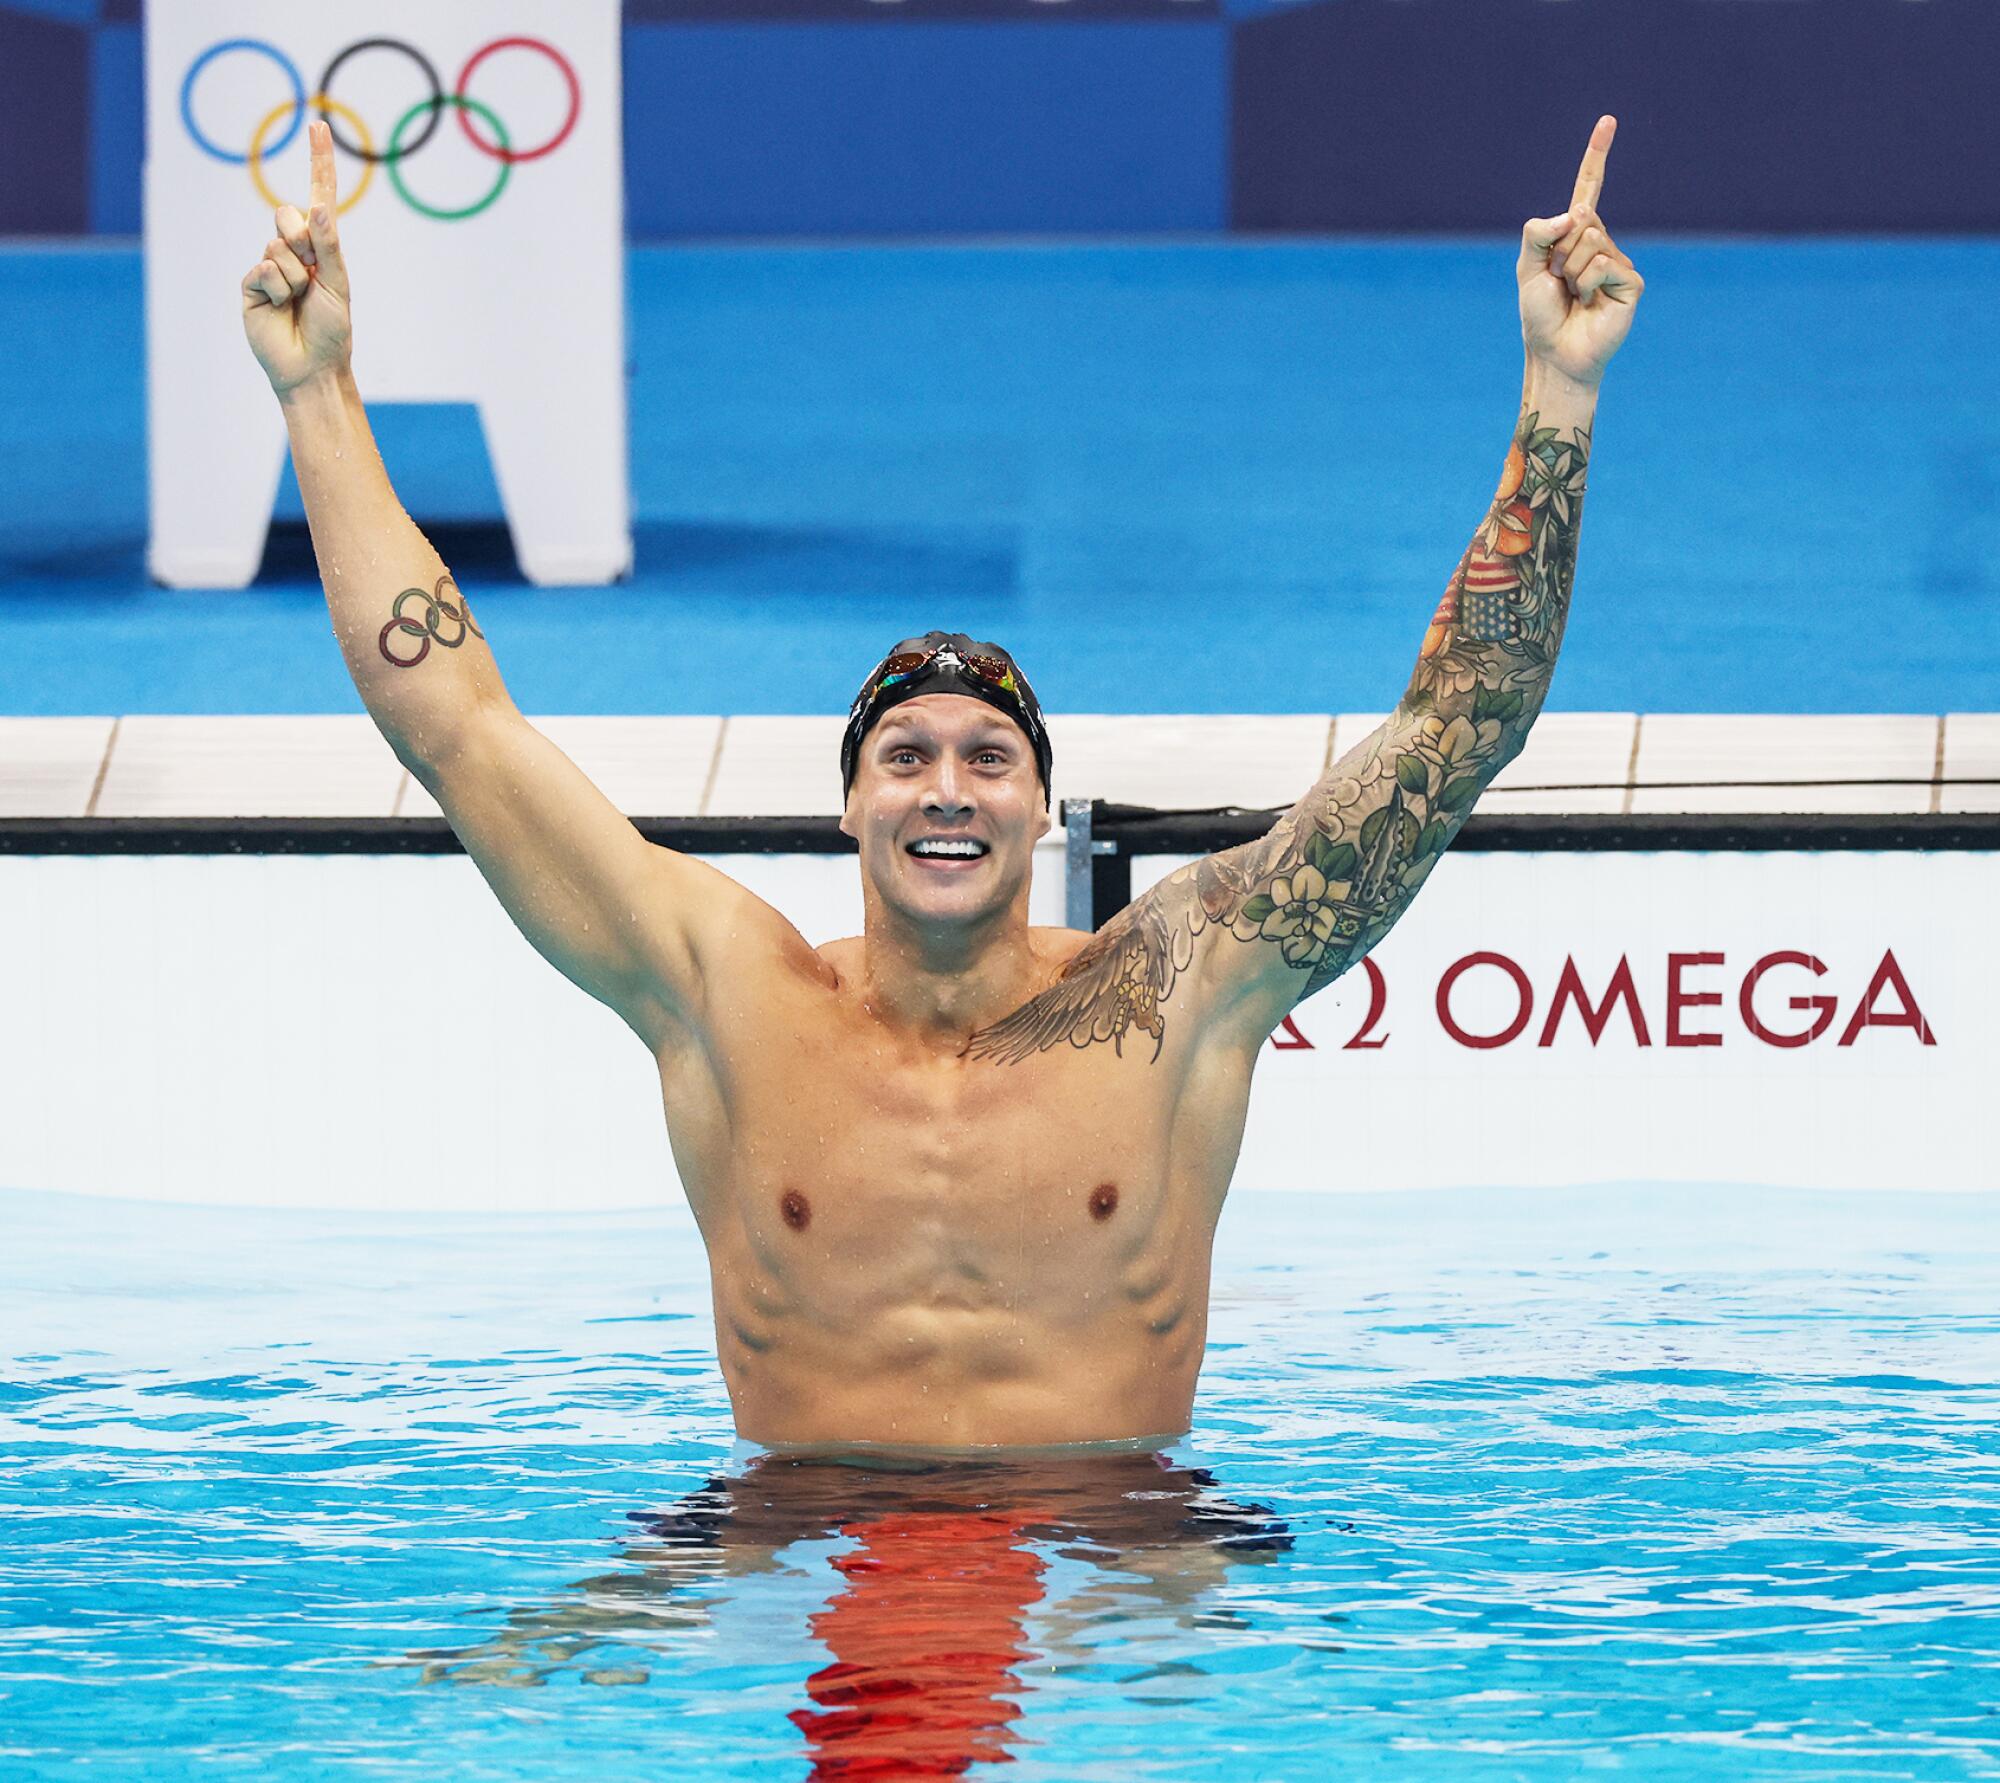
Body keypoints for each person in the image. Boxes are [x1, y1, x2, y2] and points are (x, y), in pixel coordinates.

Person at [241, 115, 1643, 1458]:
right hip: (804, 1526)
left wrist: (1559, 390)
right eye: (904, 759)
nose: (946, 791)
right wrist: (318, 393)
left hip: (1109, 1536)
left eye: (988, 758)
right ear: (848, 807)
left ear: (1043, 807)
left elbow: (1463, 725)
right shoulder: (725, 990)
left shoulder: (1184, 983)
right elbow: (459, 730)